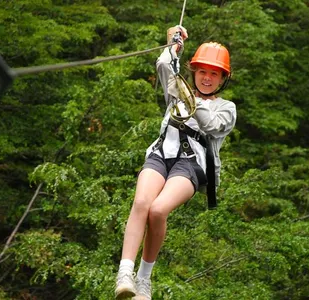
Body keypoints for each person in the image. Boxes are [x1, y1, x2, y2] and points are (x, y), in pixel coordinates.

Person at [115, 25, 237, 300]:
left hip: (190, 165)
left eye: (214, 73)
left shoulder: (226, 108)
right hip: (161, 154)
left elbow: (209, 123)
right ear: (195, 72)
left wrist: (185, 94)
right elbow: (164, 65)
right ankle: (125, 273)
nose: (207, 78)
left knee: (158, 210)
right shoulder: (177, 90)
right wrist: (174, 44)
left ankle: (144, 280)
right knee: (141, 203)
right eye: (202, 71)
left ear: (222, 79)